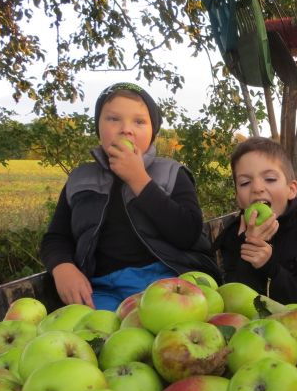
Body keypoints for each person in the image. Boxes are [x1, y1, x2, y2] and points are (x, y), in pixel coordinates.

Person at [40, 82, 220, 311]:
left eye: (139, 121)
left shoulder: (172, 173)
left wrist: (139, 180)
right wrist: (62, 266)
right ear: (98, 128)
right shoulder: (79, 179)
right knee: (98, 336)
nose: (126, 129)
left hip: (169, 280)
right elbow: (56, 237)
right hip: (102, 288)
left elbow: (188, 233)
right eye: (113, 119)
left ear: (152, 132)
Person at [214, 137, 297, 310]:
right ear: (238, 197)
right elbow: (232, 305)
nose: (257, 188)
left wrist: (270, 267)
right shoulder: (231, 236)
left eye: (270, 179)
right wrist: (247, 251)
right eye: (245, 182)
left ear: (292, 189)